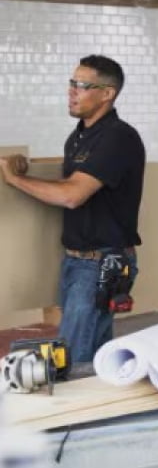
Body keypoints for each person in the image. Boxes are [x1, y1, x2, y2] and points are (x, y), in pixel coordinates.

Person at [0, 55, 145, 363]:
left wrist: (15, 178)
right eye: (71, 83)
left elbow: (72, 195)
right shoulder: (79, 137)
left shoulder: (118, 137)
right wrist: (27, 166)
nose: (72, 91)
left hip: (100, 264)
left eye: (82, 85)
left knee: (72, 361)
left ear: (107, 93)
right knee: (94, 356)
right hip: (78, 263)